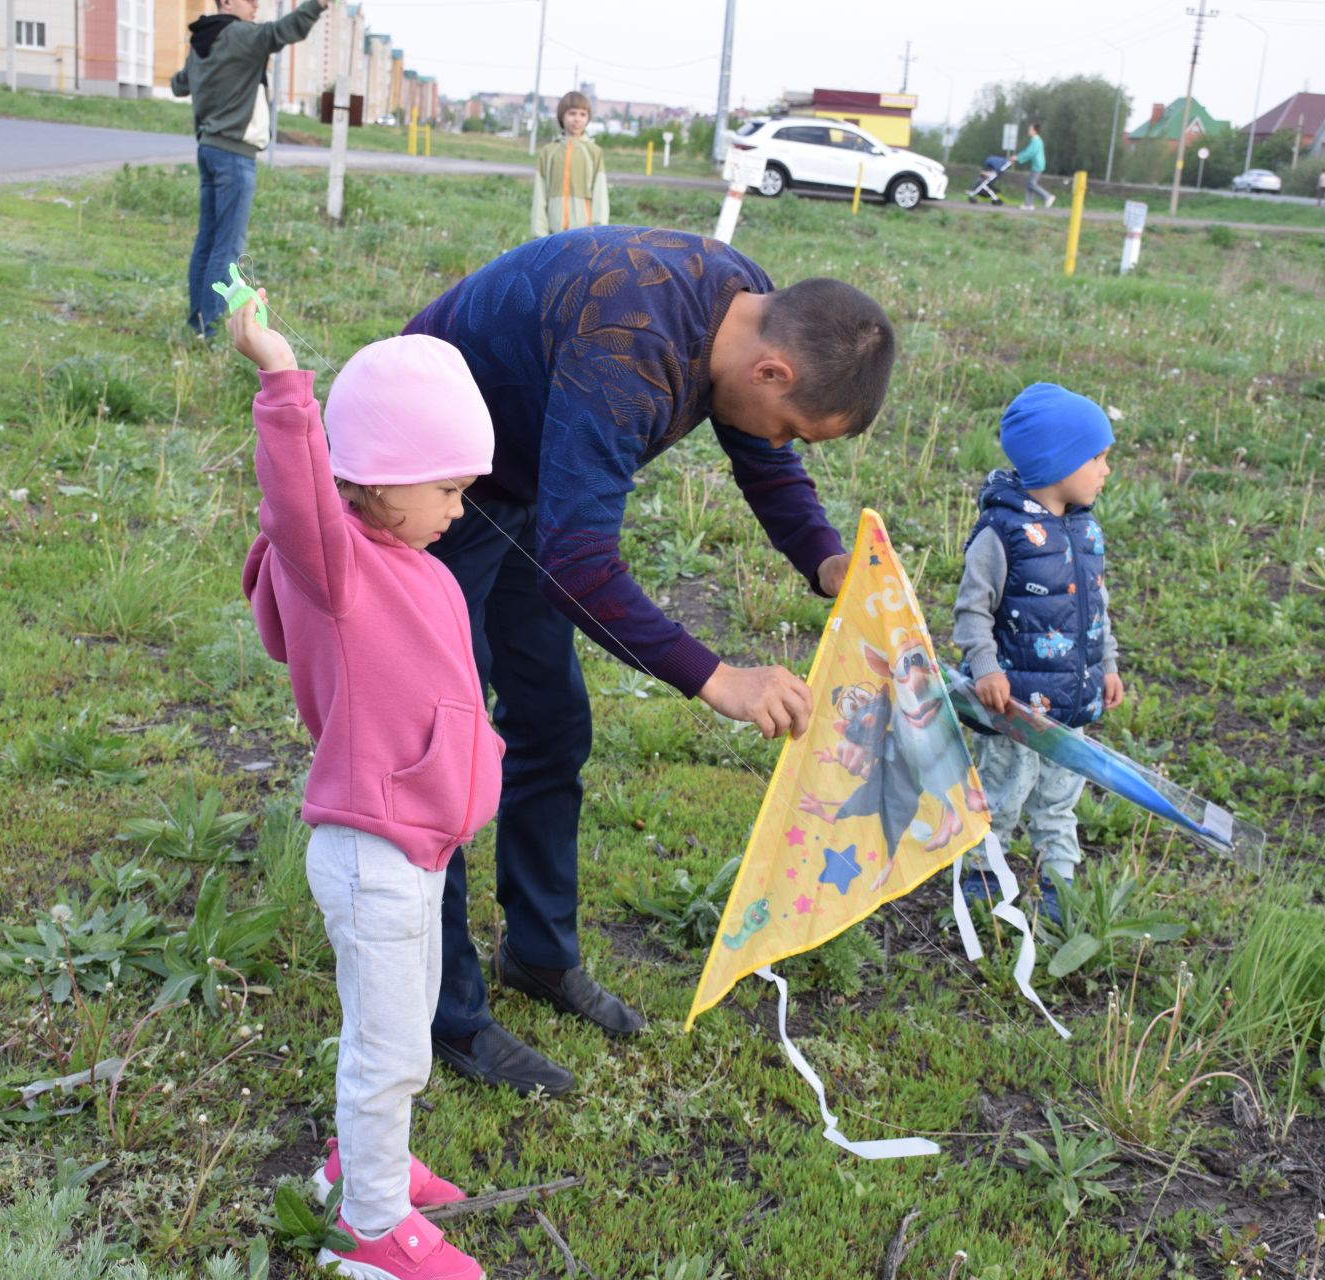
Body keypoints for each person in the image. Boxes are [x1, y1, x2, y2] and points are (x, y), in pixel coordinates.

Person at [403, 227, 894, 1096]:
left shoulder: (746, 299)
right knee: (437, 751)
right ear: (771, 370)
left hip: (525, 470)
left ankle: (540, 957)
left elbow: (763, 459)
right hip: (428, 485)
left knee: (551, 723)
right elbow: (581, 565)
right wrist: (719, 680)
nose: (789, 443)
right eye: (796, 427)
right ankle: (449, 1015)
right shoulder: (630, 352)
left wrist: (825, 559)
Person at [230, 291, 500, 1280]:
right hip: (373, 848)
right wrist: (281, 374)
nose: (460, 509)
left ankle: (361, 1159)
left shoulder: (411, 556)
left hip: (419, 845)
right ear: (382, 480)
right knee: (385, 1048)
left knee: (406, 1024)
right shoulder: (335, 566)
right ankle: (371, 1229)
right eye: (451, 488)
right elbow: (299, 498)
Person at [952, 383, 1125, 924]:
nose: (1106, 471)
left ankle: (1058, 889)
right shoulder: (1001, 535)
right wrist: (985, 669)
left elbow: (1096, 607)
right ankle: (981, 879)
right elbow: (972, 612)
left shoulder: (1085, 529)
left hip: (1070, 704)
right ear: (1059, 461)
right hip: (1014, 709)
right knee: (1002, 795)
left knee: (1058, 801)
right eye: (1098, 458)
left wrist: (1110, 665)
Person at [173, 0, 325, 340]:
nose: (256, 5)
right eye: (249, 0)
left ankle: (197, 323)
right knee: (227, 248)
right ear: (227, 2)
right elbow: (285, 30)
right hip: (234, 156)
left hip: (208, 148)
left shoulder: (203, 38)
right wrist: (318, 5)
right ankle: (209, 330)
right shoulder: (239, 34)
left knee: (207, 242)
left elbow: (179, 84)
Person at [531, 90, 609, 237]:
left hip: (584, 235)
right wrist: (540, 233)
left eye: (582, 114)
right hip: (553, 234)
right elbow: (539, 194)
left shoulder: (594, 152)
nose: (577, 119)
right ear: (562, 115)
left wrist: (599, 232)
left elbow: (600, 194)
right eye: (572, 113)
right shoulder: (548, 152)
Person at [1010, 122, 1053, 209]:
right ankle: (1028, 204)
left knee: (1031, 183)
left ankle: (1047, 197)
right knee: (1029, 183)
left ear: (1034, 131)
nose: (1028, 131)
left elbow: (1029, 153)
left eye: (1030, 129)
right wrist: (1018, 157)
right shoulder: (1035, 140)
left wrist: (1017, 157)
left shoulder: (1036, 141)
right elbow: (1029, 152)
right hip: (1037, 165)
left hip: (1037, 165)